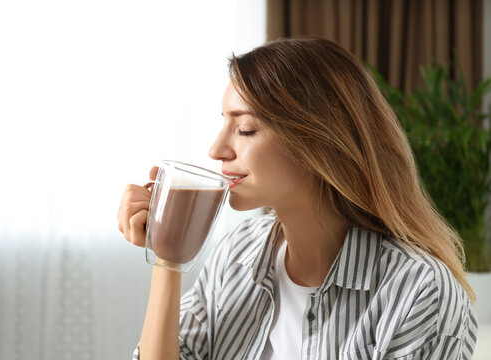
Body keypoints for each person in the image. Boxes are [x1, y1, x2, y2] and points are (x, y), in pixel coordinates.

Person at [117, 37, 478, 359]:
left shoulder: (420, 291)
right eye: (224, 123)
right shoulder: (237, 253)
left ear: (317, 142)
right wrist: (169, 257)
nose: (216, 149)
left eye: (245, 129)